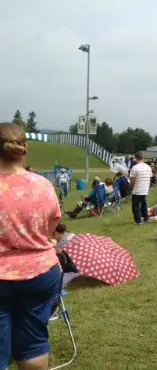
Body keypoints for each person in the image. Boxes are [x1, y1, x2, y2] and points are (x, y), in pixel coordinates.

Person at [0, 123, 62, 370]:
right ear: (24, 149)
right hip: (40, 273)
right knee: (34, 342)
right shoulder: (43, 185)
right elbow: (49, 229)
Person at [129, 151, 153, 225]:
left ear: (136, 158)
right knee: (144, 204)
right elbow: (150, 177)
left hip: (137, 189)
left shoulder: (135, 167)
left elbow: (132, 180)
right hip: (145, 188)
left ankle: (138, 221)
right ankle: (146, 218)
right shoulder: (148, 167)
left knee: (135, 206)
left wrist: (132, 187)